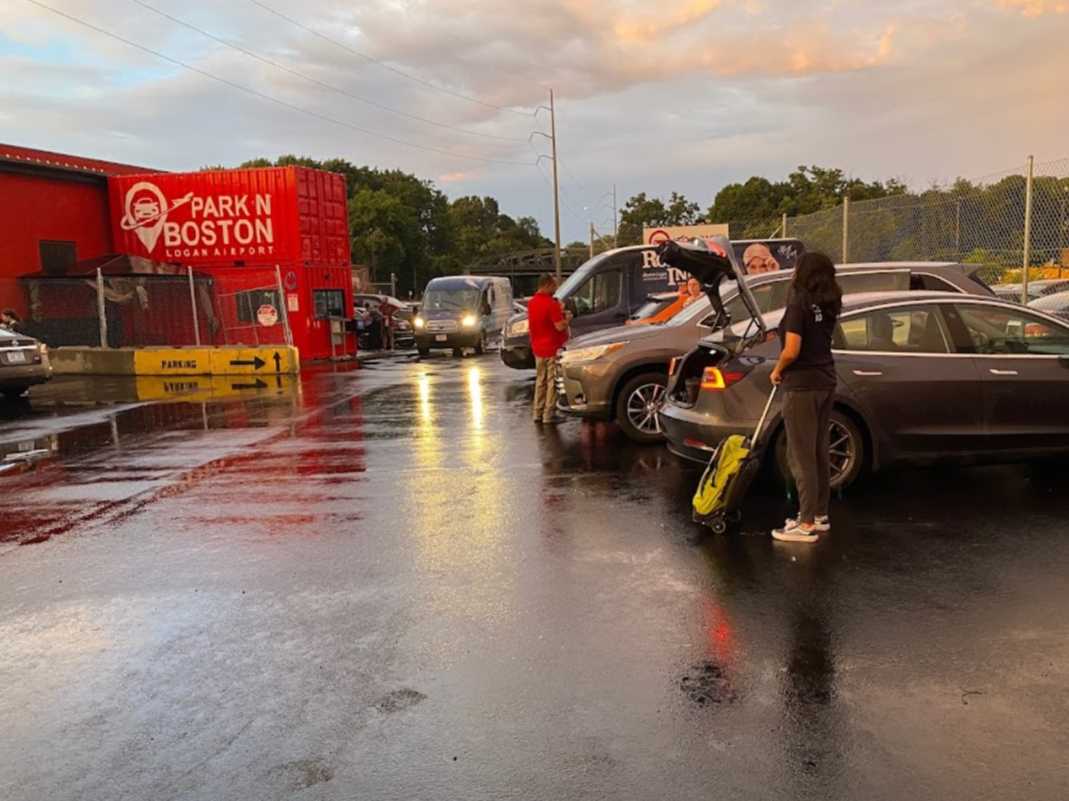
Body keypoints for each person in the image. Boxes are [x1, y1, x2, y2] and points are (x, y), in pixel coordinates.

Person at [769, 252, 842, 543]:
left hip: (801, 385)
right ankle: (819, 514)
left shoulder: (798, 303)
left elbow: (792, 349)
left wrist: (777, 370)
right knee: (818, 451)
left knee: (801, 456)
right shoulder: (829, 302)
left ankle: (806, 522)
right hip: (825, 381)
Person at [527, 274, 570, 424]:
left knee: (540, 381)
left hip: (537, 347)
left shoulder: (531, 303)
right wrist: (567, 319)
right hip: (552, 347)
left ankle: (537, 412)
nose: (555, 288)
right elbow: (559, 326)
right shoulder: (551, 304)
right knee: (552, 381)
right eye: (554, 285)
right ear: (547, 285)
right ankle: (548, 414)